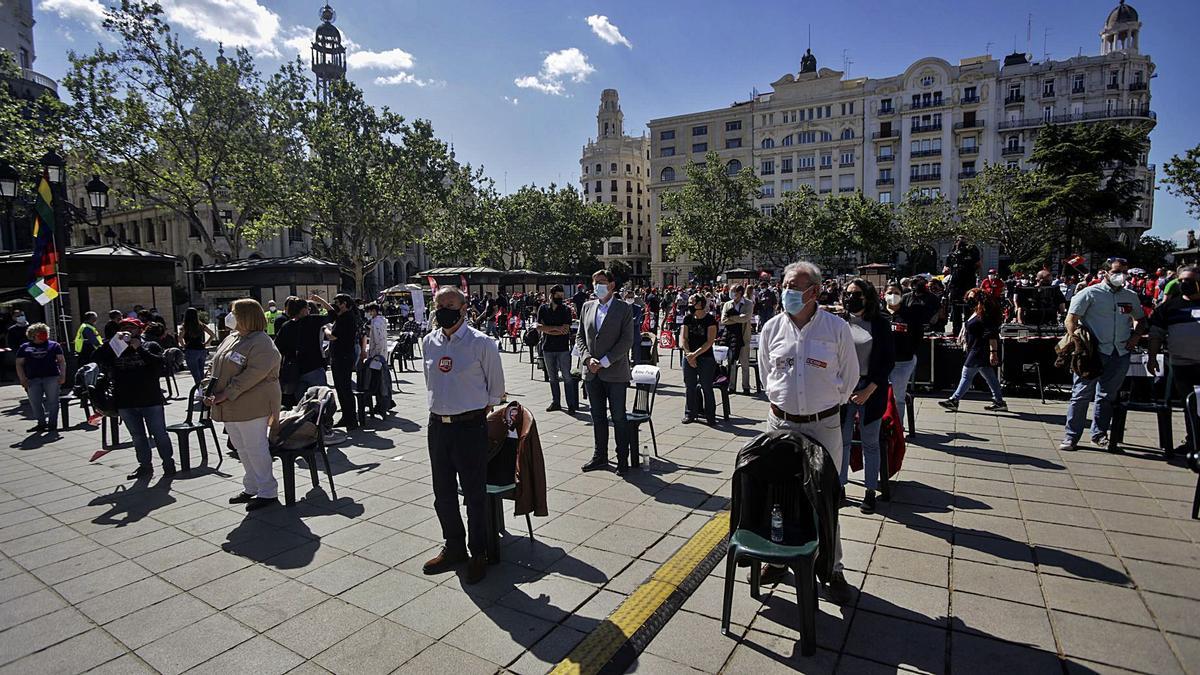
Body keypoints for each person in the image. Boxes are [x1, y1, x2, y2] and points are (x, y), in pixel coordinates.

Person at [757, 260, 857, 603]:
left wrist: (825, 404)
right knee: (780, 495)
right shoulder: (771, 328)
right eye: (785, 286)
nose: (787, 293)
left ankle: (832, 566)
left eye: (795, 287)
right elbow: (766, 373)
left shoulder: (835, 328)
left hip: (824, 424)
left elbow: (850, 376)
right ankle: (779, 559)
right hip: (781, 423)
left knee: (826, 497)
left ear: (814, 291)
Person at [421, 286, 505, 584]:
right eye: (439, 304)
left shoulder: (482, 344)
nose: (444, 309)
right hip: (437, 427)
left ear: (464, 307)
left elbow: (495, 391)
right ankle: (454, 546)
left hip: (470, 427)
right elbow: (430, 381)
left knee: (474, 494)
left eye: (450, 304)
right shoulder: (428, 342)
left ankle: (478, 551)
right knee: (442, 494)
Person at [1060, 257, 1145, 451]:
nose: (1121, 275)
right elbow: (1071, 319)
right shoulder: (1090, 293)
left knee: (1107, 396)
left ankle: (1099, 435)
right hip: (1093, 353)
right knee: (1081, 395)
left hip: (1120, 352)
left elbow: (1140, 319)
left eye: (1124, 271)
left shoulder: (1130, 296)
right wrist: (1077, 341)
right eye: (1116, 271)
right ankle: (1071, 436)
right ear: (1105, 272)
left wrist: (1136, 336)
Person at [204, 299, 281, 511]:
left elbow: (253, 374)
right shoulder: (232, 337)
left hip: (252, 405)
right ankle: (252, 486)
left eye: (234, 313)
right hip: (229, 405)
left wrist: (226, 393)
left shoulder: (262, 342)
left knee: (256, 447)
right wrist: (207, 387)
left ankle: (268, 490)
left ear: (246, 317)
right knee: (242, 448)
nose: (230, 317)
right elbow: (214, 364)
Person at [94, 318, 176, 480]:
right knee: (137, 436)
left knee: (159, 434)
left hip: (150, 398)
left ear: (139, 330)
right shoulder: (116, 347)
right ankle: (144, 466)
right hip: (126, 400)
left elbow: (160, 365)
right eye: (124, 328)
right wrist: (112, 343)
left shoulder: (149, 345)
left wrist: (140, 349)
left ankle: (168, 463)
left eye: (131, 328)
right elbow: (97, 357)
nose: (128, 331)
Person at [840, 279, 896, 514]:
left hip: (870, 389)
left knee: (869, 443)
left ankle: (870, 491)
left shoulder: (880, 324)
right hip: (842, 389)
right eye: (848, 293)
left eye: (856, 294)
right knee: (840, 442)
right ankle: (840, 487)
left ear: (867, 297)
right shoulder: (839, 322)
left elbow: (887, 361)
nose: (850, 298)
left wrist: (868, 389)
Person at [577, 269, 636, 474]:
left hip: (615, 373)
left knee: (619, 417)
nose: (597, 286)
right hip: (592, 373)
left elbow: (627, 340)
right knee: (598, 416)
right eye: (594, 282)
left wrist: (605, 361)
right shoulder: (587, 307)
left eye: (601, 282)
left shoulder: (623, 309)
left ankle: (622, 458)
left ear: (612, 285)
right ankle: (600, 455)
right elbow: (580, 337)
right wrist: (587, 359)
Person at [1147, 265, 1200, 451]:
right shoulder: (1169, 307)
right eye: (1182, 280)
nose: (1186, 284)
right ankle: (1193, 441)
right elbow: (1156, 335)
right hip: (1182, 365)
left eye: (1191, 281)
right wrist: (1152, 358)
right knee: (1190, 405)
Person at [939, 289, 1007, 412]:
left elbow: (991, 334)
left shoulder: (986, 313)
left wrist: (993, 352)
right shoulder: (977, 311)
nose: (969, 300)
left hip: (980, 349)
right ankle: (999, 401)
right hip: (975, 347)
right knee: (990, 377)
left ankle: (954, 400)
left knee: (966, 374)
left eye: (972, 298)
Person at [15, 322, 66, 434]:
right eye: (40, 333)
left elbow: (61, 361)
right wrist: (22, 379)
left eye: (45, 333)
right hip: (33, 379)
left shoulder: (54, 345)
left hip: (51, 377)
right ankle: (41, 423)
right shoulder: (25, 347)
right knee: (35, 402)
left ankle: (52, 424)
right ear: (33, 335)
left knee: (53, 401)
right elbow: (19, 363)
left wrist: (62, 375)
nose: (44, 335)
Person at [538, 285, 577, 414]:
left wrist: (549, 329)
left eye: (562, 296)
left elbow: (565, 329)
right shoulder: (543, 309)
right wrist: (556, 329)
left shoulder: (566, 309)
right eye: (558, 296)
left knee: (567, 376)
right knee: (552, 377)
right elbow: (539, 327)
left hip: (563, 348)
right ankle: (556, 402)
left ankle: (571, 404)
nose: (560, 298)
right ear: (551, 295)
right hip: (548, 347)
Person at [681, 293, 718, 425]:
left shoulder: (710, 320)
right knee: (689, 386)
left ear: (700, 304)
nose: (690, 305)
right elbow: (684, 338)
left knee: (706, 386)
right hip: (689, 356)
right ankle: (690, 413)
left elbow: (709, 341)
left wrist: (695, 355)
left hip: (706, 358)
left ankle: (710, 415)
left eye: (693, 302)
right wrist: (688, 354)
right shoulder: (687, 319)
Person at [327, 293, 360, 429]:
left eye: (338, 302)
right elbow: (330, 311)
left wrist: (326, 330)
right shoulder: (342, 317)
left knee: (344, 388)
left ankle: (351, 419)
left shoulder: (347, 318)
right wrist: (319, 300)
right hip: (340, 357)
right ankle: (347, 417)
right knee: (341, 388)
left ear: (344, 304)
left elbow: (333, 336)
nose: (336, 305)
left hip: (343, 357)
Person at [943, 235, 981, 335]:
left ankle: (969, 328)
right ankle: (957, 329)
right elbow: (946, 268)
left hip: (968, 281)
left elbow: (978, 264)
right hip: (956, 281)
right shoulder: (952, 254)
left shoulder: (972, 250)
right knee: (956, 306)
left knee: (969, 304)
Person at [722, 284, 754, 394]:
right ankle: (731, 386)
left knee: (745, 363)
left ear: (739, 292)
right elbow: (724, 320)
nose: (731, 293)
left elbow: (746, 318)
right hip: (731, 337)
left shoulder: (748, 303)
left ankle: (746, 387)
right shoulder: (727, 304)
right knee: (731, 363)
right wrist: (738, 317)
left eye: (733, 291)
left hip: (743, 336)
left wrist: (732, 317)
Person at [363, 302, 395, 413]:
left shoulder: (375, 323)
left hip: (377, 355)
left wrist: (374, 355)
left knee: (378, 381)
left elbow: (377, 340)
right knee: (384, 380)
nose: (369, 313)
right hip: (383, 354)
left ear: (374, 311)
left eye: (369, 311)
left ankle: (382, 404)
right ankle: (385, 402)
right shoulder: (382, 320)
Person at [178, 307, 217, 386]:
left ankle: (199, 389)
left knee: (195, 373)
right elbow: (212, 335)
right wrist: (206, 343)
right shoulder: (201, 325)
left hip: (191, 350)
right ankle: (203, 388)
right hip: (201, 349)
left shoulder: (186, 326)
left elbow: (180, 338)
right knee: (201, 371)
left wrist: (184, 346)